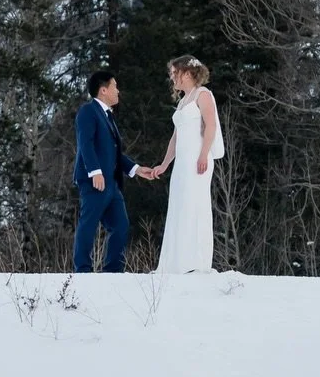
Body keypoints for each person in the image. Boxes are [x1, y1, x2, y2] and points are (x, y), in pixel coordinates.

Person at [139, 54, 224, 274]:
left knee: (194, 205)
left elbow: (211, 126)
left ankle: (195, 262)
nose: (172, 78)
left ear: (186, 73)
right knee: (179, 206)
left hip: (198, 160)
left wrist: (204, 154)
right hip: (183, 164)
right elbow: (175, 138)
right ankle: (177, 262)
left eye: (174, 74)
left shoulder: (203, 95)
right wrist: (165, 164)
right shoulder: (183, 101)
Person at [73, 69, 149, 273]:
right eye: (115, 86)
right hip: (94, 180)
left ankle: (113, 271)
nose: (118, 91)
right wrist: (94, 172)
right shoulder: (88, 111)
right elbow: (85, 143)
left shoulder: (108, 117)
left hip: (112, 184)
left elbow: (114, 153)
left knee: (120, 226)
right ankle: (82, 270)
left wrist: (136, 169)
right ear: (104, 90)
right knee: (88, 225)